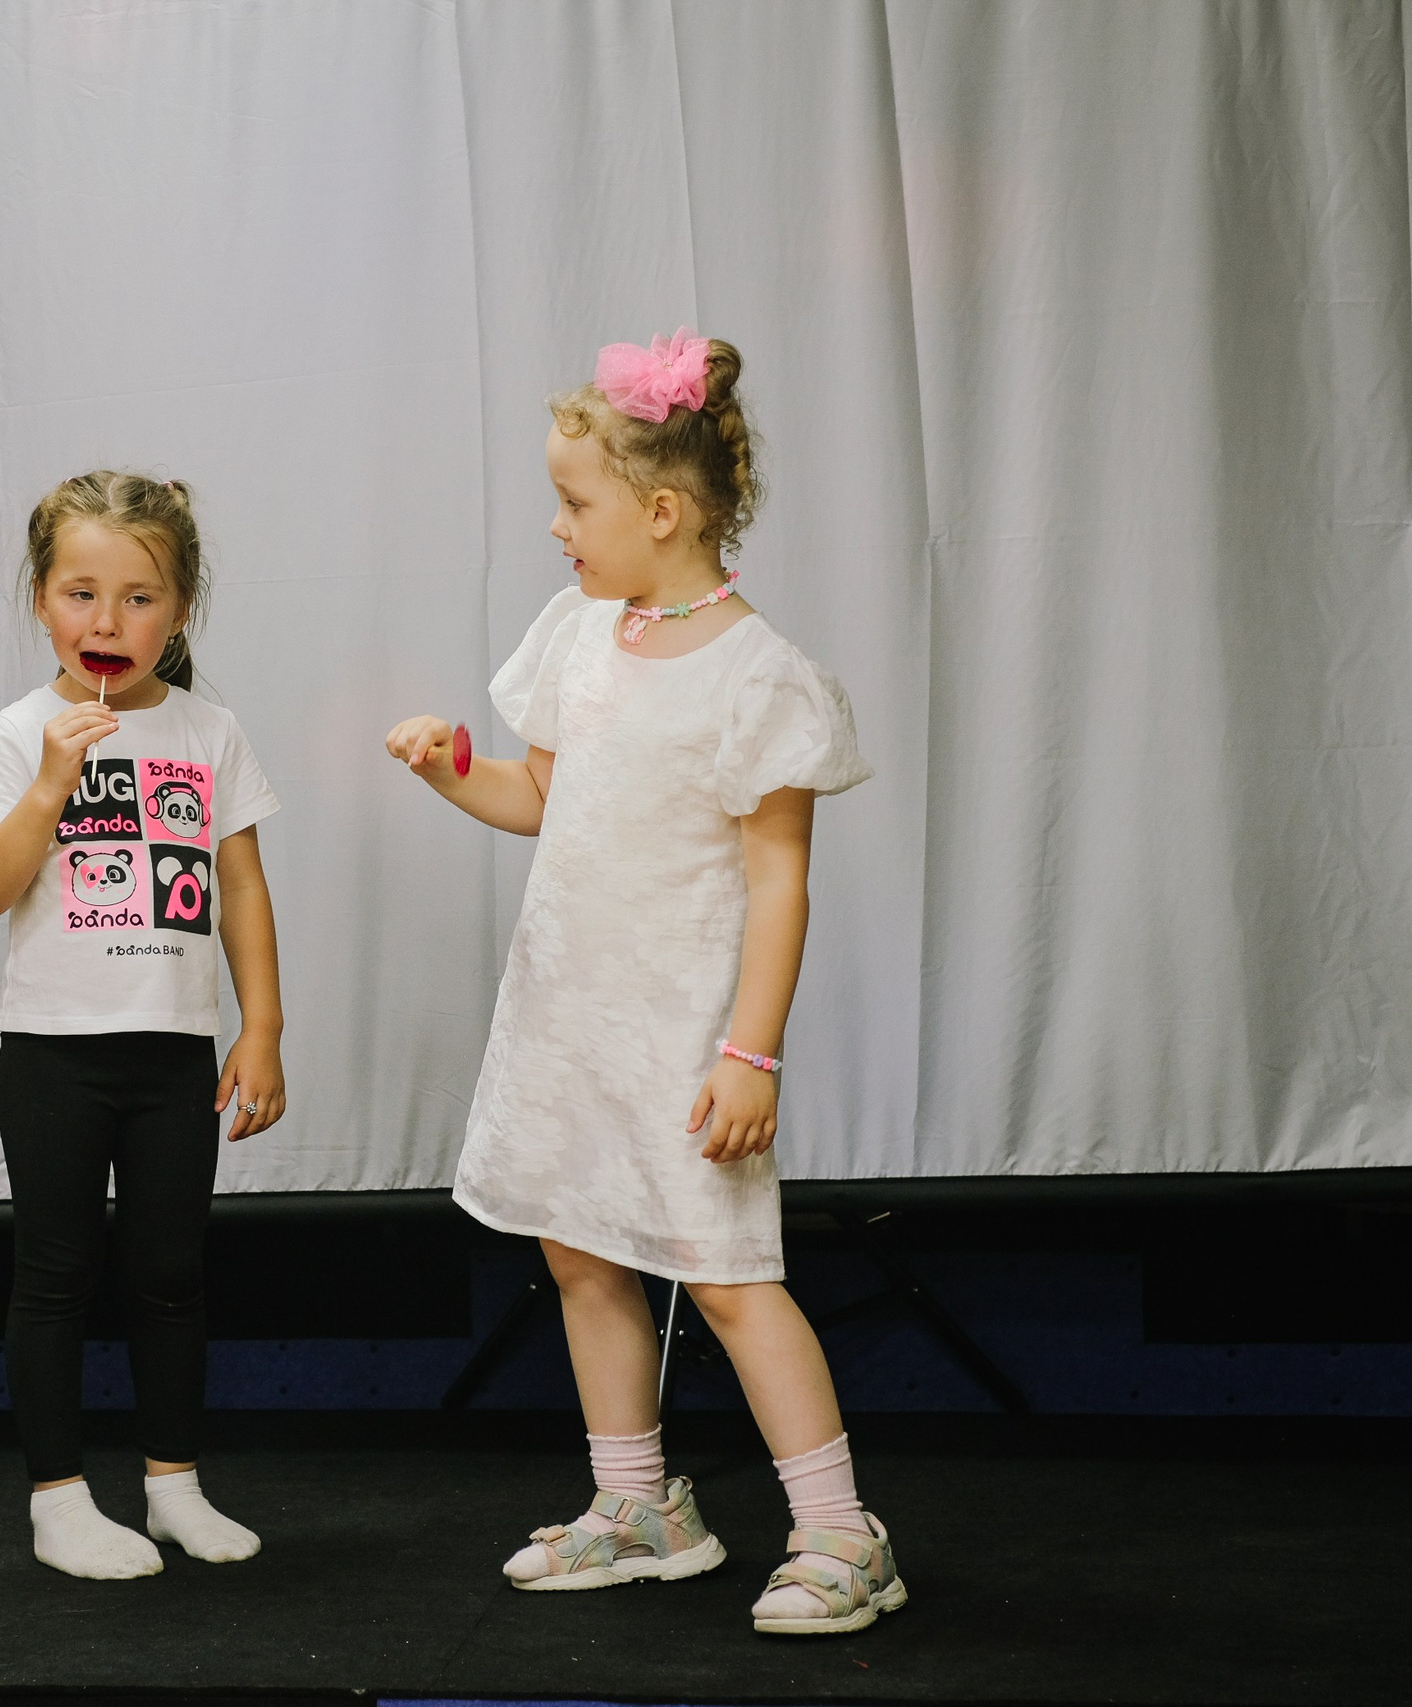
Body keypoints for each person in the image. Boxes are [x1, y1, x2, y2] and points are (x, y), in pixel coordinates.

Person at [385, 332, 904, 1635]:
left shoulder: (758, 681)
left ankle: (845, 1533)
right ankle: (642, 1505)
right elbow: (542, 797)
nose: (556, 528)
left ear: (662, 511)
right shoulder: (579, 634)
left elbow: (779, 880)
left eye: (576, 504)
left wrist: (751, 1051)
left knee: (726, 1273)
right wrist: (454, 767)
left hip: (683, 1037)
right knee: (580, 1253)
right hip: (570, 1018)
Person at [0, 470, 285, 1580]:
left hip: (172, 1049)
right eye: (81, 593)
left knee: (170, 1272)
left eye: (138, 597)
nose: (108, 622)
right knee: (54, 1271)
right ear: (41, 601)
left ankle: (173, 1487)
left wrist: (263, 1029)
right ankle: (57, 1499)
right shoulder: (17, 732)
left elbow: (240, 886)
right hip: (52, 1052)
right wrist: (51, 779)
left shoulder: (209, 731)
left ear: (179, 610)